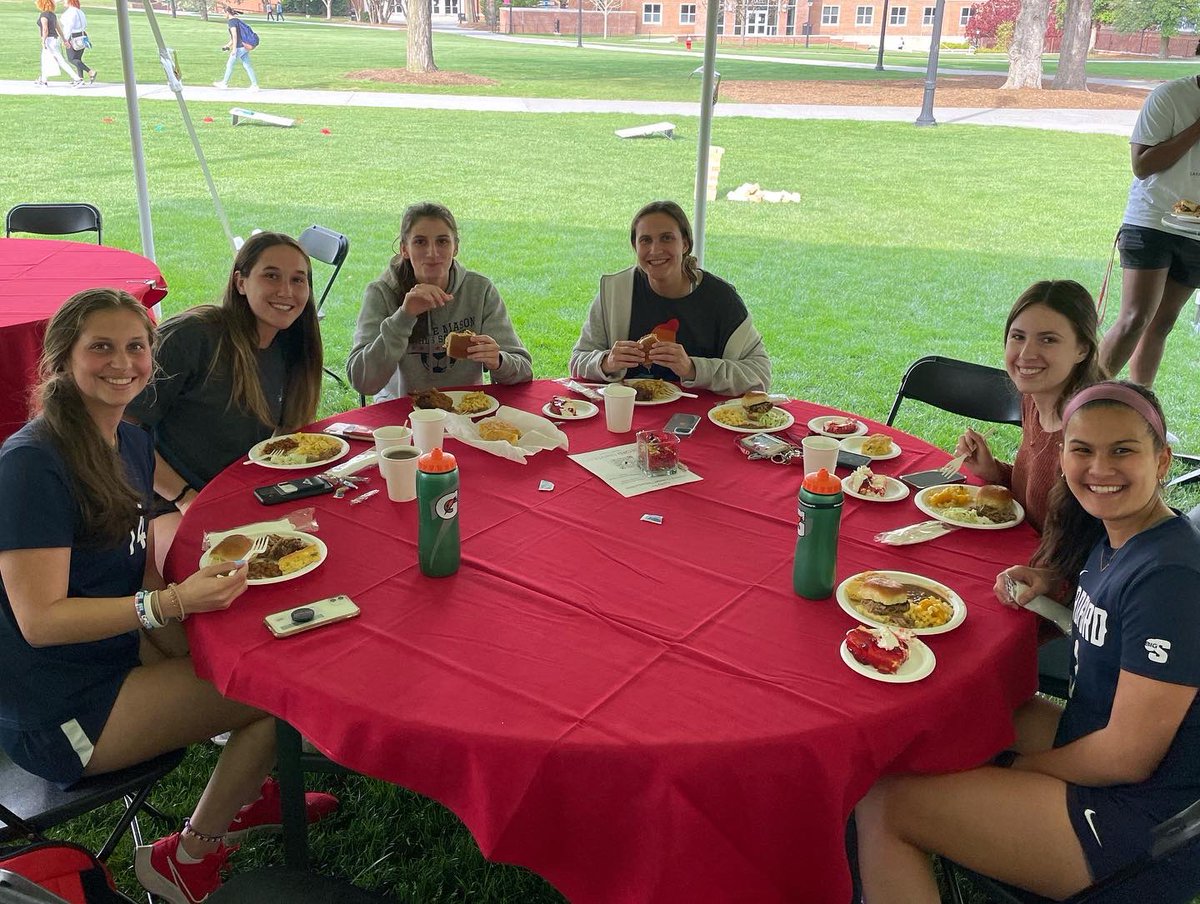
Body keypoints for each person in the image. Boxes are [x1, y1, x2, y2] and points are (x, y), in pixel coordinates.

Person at [0, 289, 337, 904]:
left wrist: (218, 590)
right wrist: (171, 608)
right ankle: (186, 857)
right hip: (62, 705)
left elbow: (142, 570)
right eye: (99, 347)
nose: (121, 362)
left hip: (116, 649)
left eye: (136, 346)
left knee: (257, 644)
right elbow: (40, 621)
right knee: (271, 691)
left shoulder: (129, 441)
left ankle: (248, 787)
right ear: (60, 360)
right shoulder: (31, 465)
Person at [855, 380, 1200, 904]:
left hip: (1144, 824)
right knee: (931, 716)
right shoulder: (1124, 538)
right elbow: (1111, 637)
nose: (1100, 469)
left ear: (1162, 461)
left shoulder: (1170, 578)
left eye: (1123, 450)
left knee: (884, 804)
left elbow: (1125, 758)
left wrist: (1018, 767)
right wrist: (1051, 590)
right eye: (1082, 450)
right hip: (1094, 736)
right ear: (1062, 457)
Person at [126, 232, 322, 571]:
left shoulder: (291, 345)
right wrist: (184, 497)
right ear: (241, 282)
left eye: (298, 280)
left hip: (240, 496)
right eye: (271, 276)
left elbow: (287, 432)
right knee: (203, 574)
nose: (286, 291)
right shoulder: (193, 335)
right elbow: (124, 431)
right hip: (164, 503)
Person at [570, 200, 771, 396]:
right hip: (627, 416)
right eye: (645, 240)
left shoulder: (721, 299)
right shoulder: (615, 291)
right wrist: (607, 362)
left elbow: (760, 375)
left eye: (667, 238)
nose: (655, 250)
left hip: (699, 421)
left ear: (685, 243)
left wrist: (693, 368)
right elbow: (578, 360)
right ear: (635, 246)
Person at [953, 280, 1105, 533]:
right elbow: (1037, 498)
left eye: (1048, 340)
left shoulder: (1090, 430)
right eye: (1018, 336)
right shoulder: (1033, 401)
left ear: (1082, 349)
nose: (1025, 354)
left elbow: (1099, 541)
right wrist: (993, 472)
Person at [347, 202, 533, 402]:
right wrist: (404, 316)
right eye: (420, 242)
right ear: (404, 249)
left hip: (466, 412)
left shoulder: (479, 291)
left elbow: (523, 371)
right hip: (402, 414)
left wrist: (498, 361)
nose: (432, 253)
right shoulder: (382, 293)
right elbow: (362, 381)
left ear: (455, 248)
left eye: (442, 242)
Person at [1100, 75, 1200, 387]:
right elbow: (1142, 165)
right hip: (1152, 221)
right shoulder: (1170, 96)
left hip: (1195, 230)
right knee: (1135, 318)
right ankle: (1081, 404)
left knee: (1161, 324)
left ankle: (1138, 409)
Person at [34, 0, 79, 88]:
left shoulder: (44, 15)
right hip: (54, 40)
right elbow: (58, 29)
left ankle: (77, 78)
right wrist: (65, 40)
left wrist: (43, 41)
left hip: (49, 41)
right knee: (46, 60)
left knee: (59, 60)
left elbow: (45, 30)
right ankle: (43, 80)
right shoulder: (52, 15)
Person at [213, 5, 259, 90]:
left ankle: (224, 83)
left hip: (239, 47)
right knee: (247, 65)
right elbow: (235, 37)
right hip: (244, 46)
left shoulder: (231, 21)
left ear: (227, 12)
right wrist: (228, 45)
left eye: (223, 13)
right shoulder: (237, 20)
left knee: (229, 64)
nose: (223, 15)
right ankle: (255, 85)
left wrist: (234, 49)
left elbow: (235, 35)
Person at [59, 0, 95, 85]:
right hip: (82, 35)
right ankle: (80, 78)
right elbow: (85, 24)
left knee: (72, 59)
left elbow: (69, 26)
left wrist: (64, 39)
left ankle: (90, 71)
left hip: (73, 36)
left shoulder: (70, 12)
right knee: (78, 58)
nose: (63, 2)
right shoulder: (80, 11)